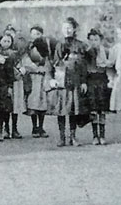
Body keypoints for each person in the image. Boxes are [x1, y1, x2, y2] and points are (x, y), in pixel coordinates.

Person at [47, 17, 90, 147]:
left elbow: (83, 65)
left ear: (74, 29)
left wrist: (83, 81)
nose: (67, 30)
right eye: (64, 27)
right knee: (61, 110)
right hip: (62, 80)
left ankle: (73, 136)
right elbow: (53, 63)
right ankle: (62, 137)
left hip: (75, 80)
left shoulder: (80, 45)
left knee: (72, 110)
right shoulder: (58, 44)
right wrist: (51, 79)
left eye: (69, 28)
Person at [22, 27, 51, 137]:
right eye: (33, 34)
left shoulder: (45, 46)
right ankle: (34, 127)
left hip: (42, 77)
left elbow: (49, 60)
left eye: (38, 34)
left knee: (42, 101)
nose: (35, 36)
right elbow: (25, 60)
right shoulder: (28, 47)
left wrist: (45, 69)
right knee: (33, 102)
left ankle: (41, 127)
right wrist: (35, 68)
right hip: (32, 77)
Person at [85, 28, 112, 145]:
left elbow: (111, 66)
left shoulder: (105, 51)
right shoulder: (87, 52)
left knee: (102, 108)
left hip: (102, 79)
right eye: (91, 40)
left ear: (100, 40)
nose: (94, 42)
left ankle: (102, 135)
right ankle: (95, 135)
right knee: (93, 108)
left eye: (96, 39)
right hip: (91, 80)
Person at [6, 26, 26, 140]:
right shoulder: (1, 52)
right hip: (6, 80)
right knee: (6, 105)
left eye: (11, 35)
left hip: (16, 80)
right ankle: (6, 129)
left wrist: (21, 70)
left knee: (15, 105)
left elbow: (21, 63)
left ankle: (14, 128)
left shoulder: (17, 52)